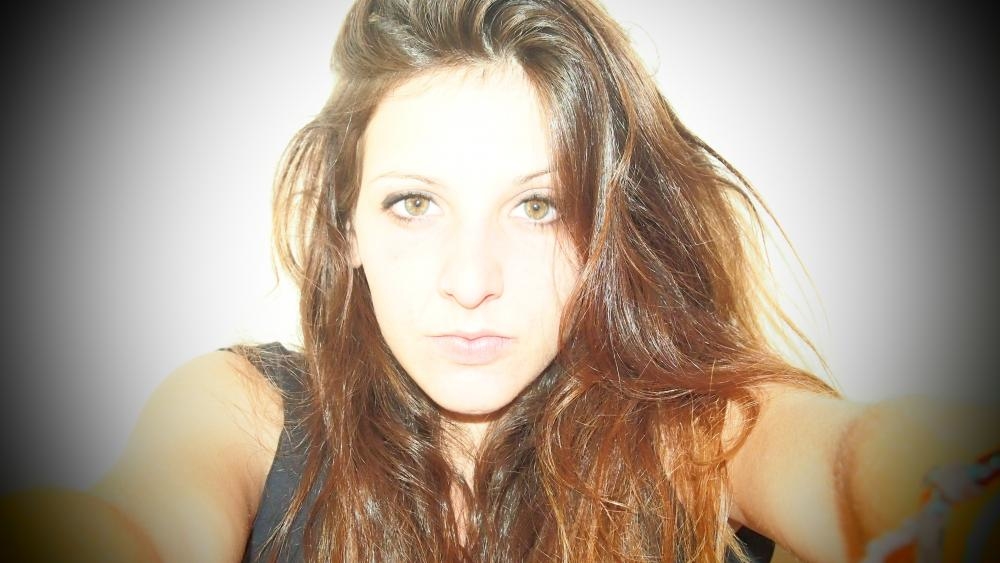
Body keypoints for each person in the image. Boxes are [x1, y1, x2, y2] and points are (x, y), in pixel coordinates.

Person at [1, 0, 997, 561]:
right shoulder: (245, 411)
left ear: (605, 229)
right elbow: (137, 524)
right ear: (347, 227)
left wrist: (939, 480)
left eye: (540, 207)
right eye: (413, 203)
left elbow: (843, 461)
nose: (471, 279)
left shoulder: (688, 426)